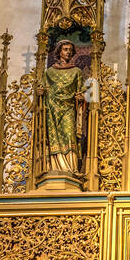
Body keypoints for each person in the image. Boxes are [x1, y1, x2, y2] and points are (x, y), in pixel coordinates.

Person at [41, 40, 85, 176]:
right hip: (52, 109)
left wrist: (81, 97)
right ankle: (55, 167)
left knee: (69, 134)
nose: (68, 52)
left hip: (69, 109)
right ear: (59, 51)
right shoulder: (49, 73)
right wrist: (40, 94)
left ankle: (71, 169)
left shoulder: (77, 72)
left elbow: (81, 90)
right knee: (53, 137)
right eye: (65, 49)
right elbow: (44, 91)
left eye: (70, 50)